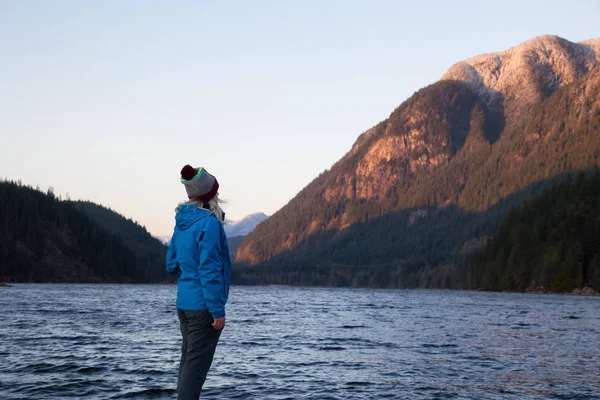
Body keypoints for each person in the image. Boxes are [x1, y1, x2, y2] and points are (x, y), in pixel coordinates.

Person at [166, 164, 231, 400]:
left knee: (187, 365)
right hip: (204, 307)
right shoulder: (210, 224)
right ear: (211, 194)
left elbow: (172, 264)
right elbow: (210, 269)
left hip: (184, 305)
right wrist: (217, 310)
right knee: (195, 370)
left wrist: (188, 277)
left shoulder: (181, 222)